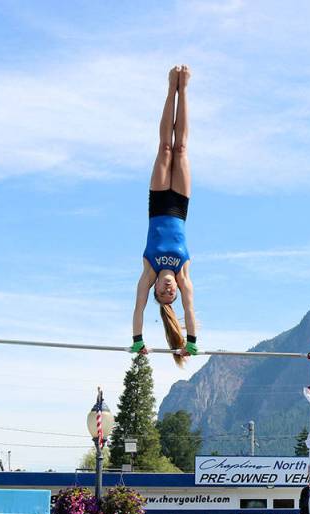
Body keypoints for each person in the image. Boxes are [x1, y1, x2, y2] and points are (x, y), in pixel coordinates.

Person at [131, 65, 197, 363]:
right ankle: (184, 90)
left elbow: (137, 308)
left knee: (165, 147)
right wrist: (191, 344)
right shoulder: (183, 274)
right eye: (172, 294)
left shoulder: (149, 270)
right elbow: (191, 308)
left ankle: (171, 87)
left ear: (156, 289)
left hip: (158, 205)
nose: (169, 289)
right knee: (181, 148)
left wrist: (137, 341)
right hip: (180, 206)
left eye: (164, 292)